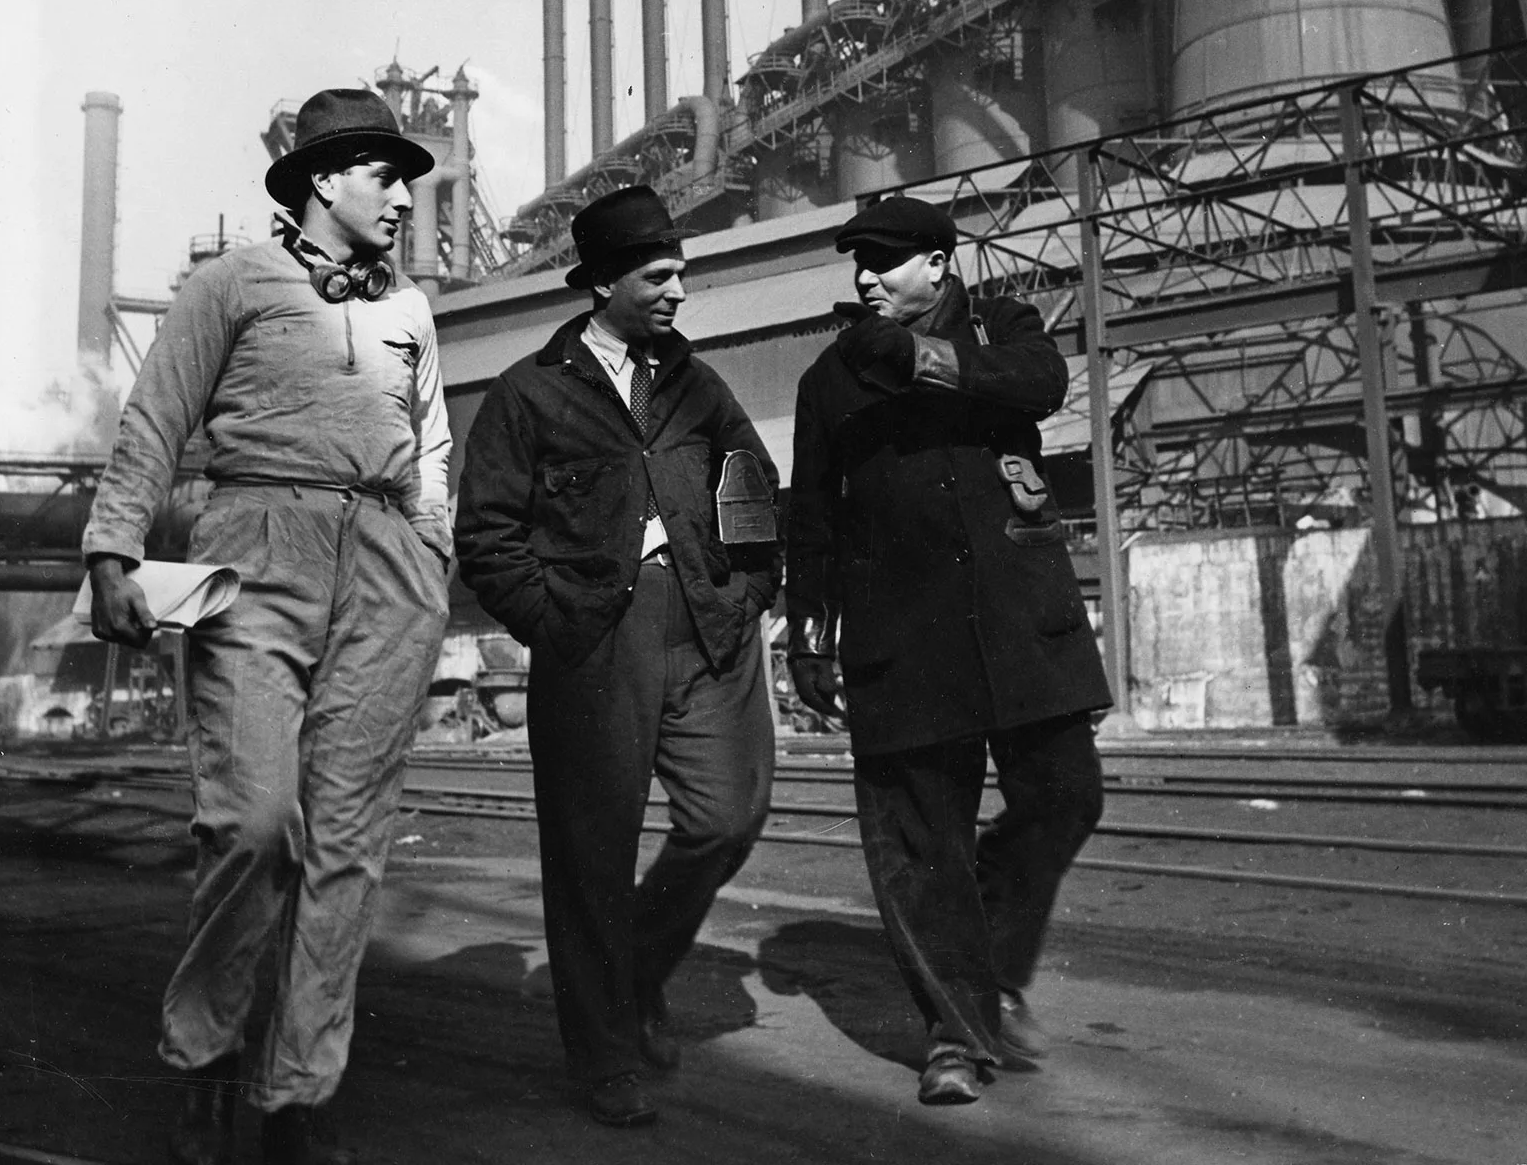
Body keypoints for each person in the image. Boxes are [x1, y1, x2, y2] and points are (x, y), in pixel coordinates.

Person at [83, 89, 455, 1165]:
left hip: (386, 565)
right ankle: (203, 1057)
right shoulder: (232, 279)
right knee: (251, 820)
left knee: (347, 844)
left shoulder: (411, 309)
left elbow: (430, 446)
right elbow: (156, 413)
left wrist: (431, 551)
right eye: (384, 173)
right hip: (256, 539)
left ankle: (298, 1089)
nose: (402, 192)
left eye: (408, 175)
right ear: (322, 176)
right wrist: (113, 546)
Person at [455, 185, 781, 1130]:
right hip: (595, 643)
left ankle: (633, 973)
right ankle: (604, 1055)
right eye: (658, 276)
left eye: (682, 273)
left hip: (706, 629)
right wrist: (552, 625)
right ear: (601, 282)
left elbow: (753, 492)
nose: (679, 291)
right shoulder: (530, 391)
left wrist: (748, 591)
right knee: (591, 858)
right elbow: (487, 536)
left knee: (728, 814)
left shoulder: (695, 383)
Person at [786, 194, 1110, 1107]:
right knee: (921, 844)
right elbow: (809, 514)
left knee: (1065, 796)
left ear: (939, 263)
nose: (865, 277)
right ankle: (954, 1038)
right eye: (858, 261)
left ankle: (989, 964)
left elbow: (1038, 385)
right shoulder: (829, 379)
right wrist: (809, 636)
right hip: (901, 634)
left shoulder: (1004, 324)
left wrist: (922, 361)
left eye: (886, 260)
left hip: (1017, 618)